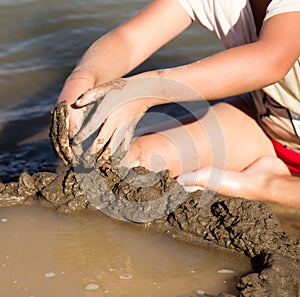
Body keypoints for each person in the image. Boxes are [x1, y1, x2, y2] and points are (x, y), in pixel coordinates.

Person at [55, 0, 300, 207]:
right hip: (266, 127)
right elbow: (129, 41)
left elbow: (272, 60)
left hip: (274, 127)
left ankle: (269, 186)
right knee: (129, 165)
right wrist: (83, 77)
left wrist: (146, 90)